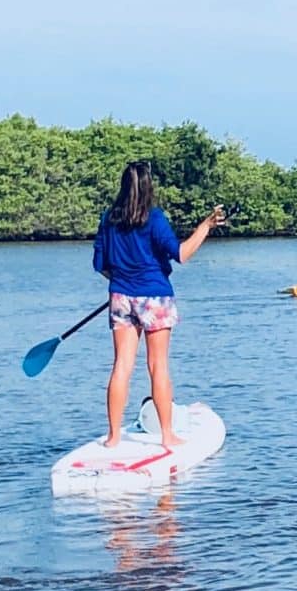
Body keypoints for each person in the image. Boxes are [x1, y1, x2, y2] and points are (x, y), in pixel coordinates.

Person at [93, 160, 227, 447]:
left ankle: (113, 437)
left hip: (120, 296)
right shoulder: (154, 219)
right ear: (148, 186)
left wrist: (123, 283)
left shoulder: (108, 219)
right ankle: (167, 436)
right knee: (158, 365)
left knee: (122, 365)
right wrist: (205, 226)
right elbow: (181, 254)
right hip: (155, 297)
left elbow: (101, 265)